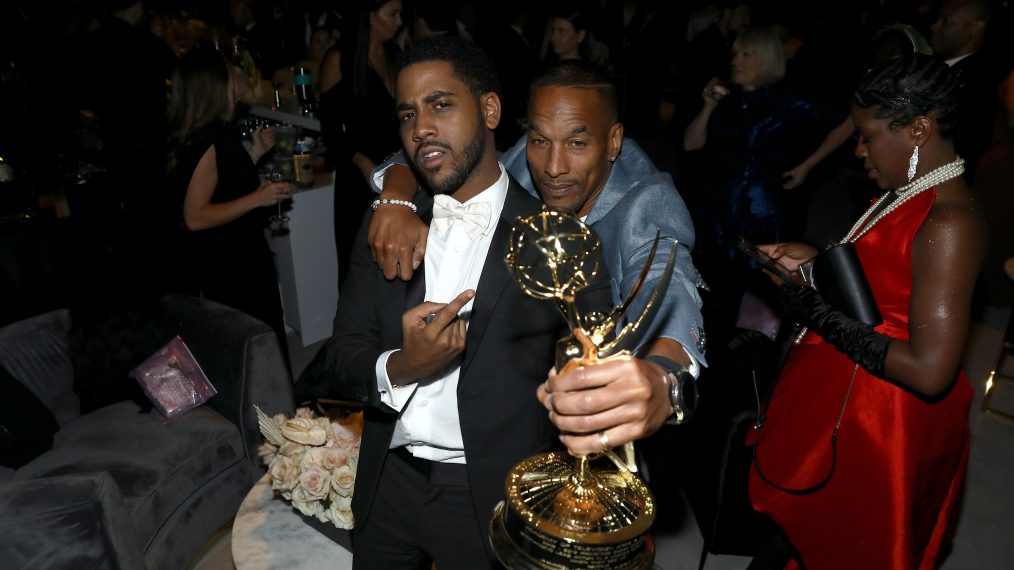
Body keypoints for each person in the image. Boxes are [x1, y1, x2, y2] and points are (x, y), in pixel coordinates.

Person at [309, 37, 611, 569]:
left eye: (441, 105)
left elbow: (594, 385)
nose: (421, 127)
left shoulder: (556, 242)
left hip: (490, 493)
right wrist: (404, 366)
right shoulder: (388, 223)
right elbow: (341, 357)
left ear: (490, 110)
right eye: (408, 114)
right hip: (387, 483)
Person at [367, 59, 706, 456]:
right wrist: (395, 198)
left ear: (613, 142)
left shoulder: (646, 203)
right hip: (511, 393)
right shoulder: (522, 166)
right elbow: (437, 154)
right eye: (540, 140)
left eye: (577, 143)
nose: (554, 168)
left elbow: (669, 285)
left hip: (596, 414)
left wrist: (664, 375)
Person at [748, 53, 985, 568]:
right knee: (791, 529)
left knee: (839, 543)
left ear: (918, 128)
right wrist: (814, 265)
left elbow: (930, 371)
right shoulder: (905, 190)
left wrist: (814, 310)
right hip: (847, 388)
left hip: (883, 422)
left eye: (868, 135)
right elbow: (889, 283)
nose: (858, 150)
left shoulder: (950, 222)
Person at [683, 26, 842, 322]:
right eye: (735, 54)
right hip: (716, 208)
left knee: (758, 295)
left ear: (766, 59)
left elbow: (845, 121)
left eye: (746, 54)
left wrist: (807, 166)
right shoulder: (726, 99)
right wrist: (708, 106)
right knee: (709, 289)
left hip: (757, 212)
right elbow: (691, 144)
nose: (735, 61)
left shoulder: (784, 101)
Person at [166, 43, 292, 362]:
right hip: (233, 262)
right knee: (255, 339)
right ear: (216, 86)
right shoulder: (207, 140)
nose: (236, 76)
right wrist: (257, 198)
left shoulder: (214, 133)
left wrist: (253, 155)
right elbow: (195, 216)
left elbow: (221, 184)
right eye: (228, 72)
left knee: (255, 337)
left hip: (235, 253)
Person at [318, 0, 403, 283]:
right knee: (360, 266)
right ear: (368, 16)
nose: (399, 20)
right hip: (358, 176)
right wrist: (360, 161)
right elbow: (330, 131)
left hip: (399, 171)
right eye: (392, 14)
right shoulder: (340, 60)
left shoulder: (394, 52)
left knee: (399, 256)